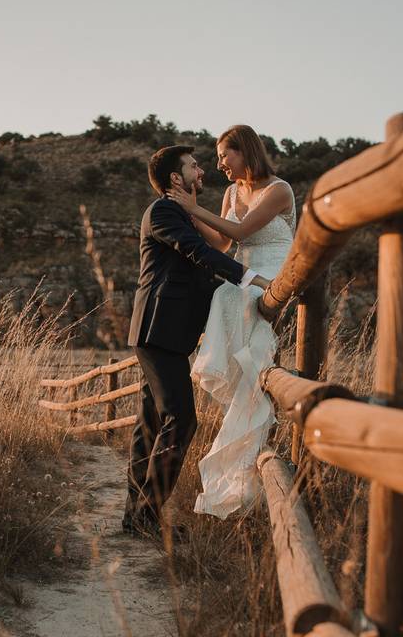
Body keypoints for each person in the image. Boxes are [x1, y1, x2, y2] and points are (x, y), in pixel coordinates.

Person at [123, 145, 270, 541]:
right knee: (182, 419)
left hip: (167, 333)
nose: (201, 170)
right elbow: (199, 253)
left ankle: (136, 518)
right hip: (158, 330)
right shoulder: (163, 212)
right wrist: (254, 280)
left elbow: (208, 254)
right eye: (193, 166)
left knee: (151, 423)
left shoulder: (180, 213)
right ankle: (148, 518)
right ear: (176, 178)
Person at [166, 125, 295, 519]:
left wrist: (192, 208)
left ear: (246, 151)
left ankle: (253, 402)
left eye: (225, 155)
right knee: (225, 293)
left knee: (236, 297)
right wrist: (187, 212)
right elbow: (222, 243)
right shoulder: (230, 193)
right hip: (244, 276)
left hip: (273, 274)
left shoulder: (279, 190)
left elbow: (241, 231)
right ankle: (245, 398)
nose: (220, 163)